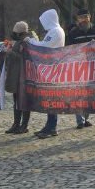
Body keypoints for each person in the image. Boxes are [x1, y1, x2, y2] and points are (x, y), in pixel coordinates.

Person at [29, 9, 66, 139]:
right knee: (49, 99)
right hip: (51, 67)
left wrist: (32, 41)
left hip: (53, 68)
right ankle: (49, 126)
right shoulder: (54, 31)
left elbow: (45, 46)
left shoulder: (55, 31)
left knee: (52, 99)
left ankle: (52, 127)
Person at [67, 8, 95, 129]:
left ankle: (86, 118)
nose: (83, 20)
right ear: (77, 20)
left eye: (85, 17)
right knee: (79, 94)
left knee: (90, 94)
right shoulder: (73, 33)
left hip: (94, 67)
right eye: (81, 18)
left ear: (89, 17)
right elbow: (68, 49)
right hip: (78, 67)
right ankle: (80, 120)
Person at [3, 21, 36, 135]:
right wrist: (9, 50)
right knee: (16, 101)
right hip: (16, 75)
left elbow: (23, 58)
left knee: (24, 101)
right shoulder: (18, 41)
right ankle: (16, 124)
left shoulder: (27, 42)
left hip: (23, 76)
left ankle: (24, 125)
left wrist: (10, 52)